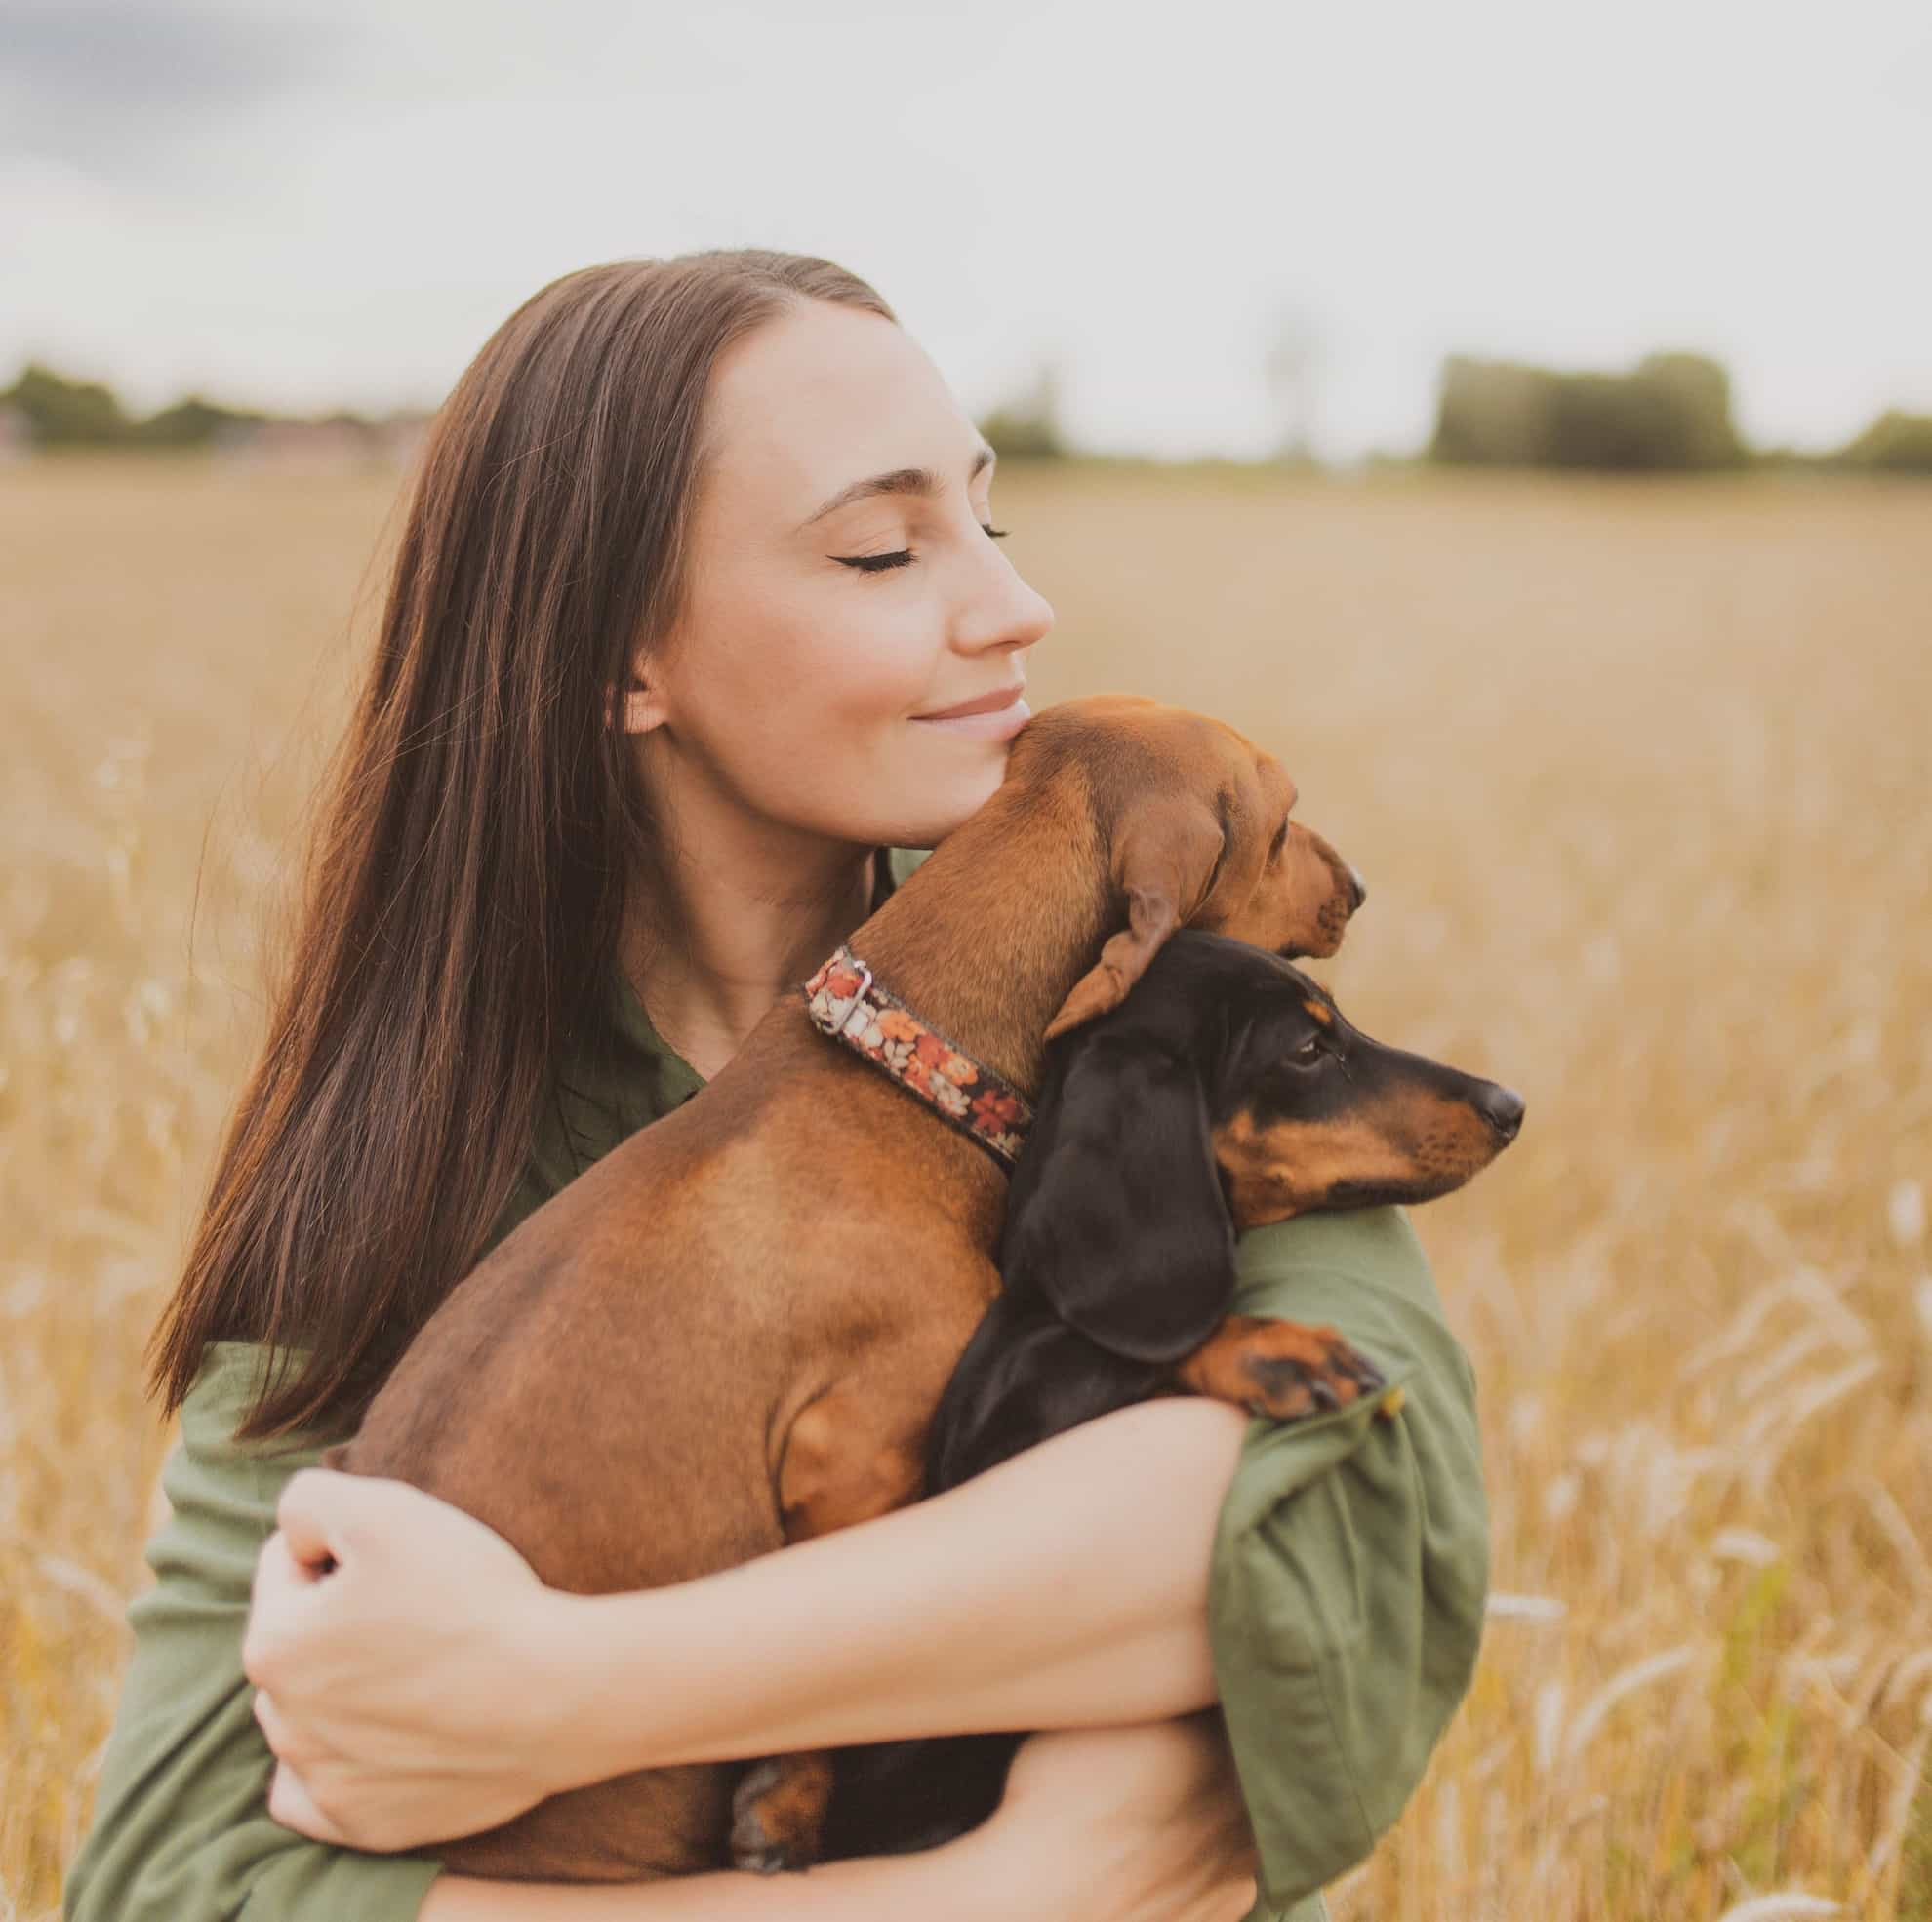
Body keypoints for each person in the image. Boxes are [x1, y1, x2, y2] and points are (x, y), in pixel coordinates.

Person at [63, 250, 1491, 1922]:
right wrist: (1033, 1884)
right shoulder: (405, 1164)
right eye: (883, 547)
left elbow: (1353, 1499)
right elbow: (169, 1884)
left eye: (988, 518)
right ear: (621, 664)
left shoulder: (1151, 1003)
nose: (1013, 606)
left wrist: (552, 1682)